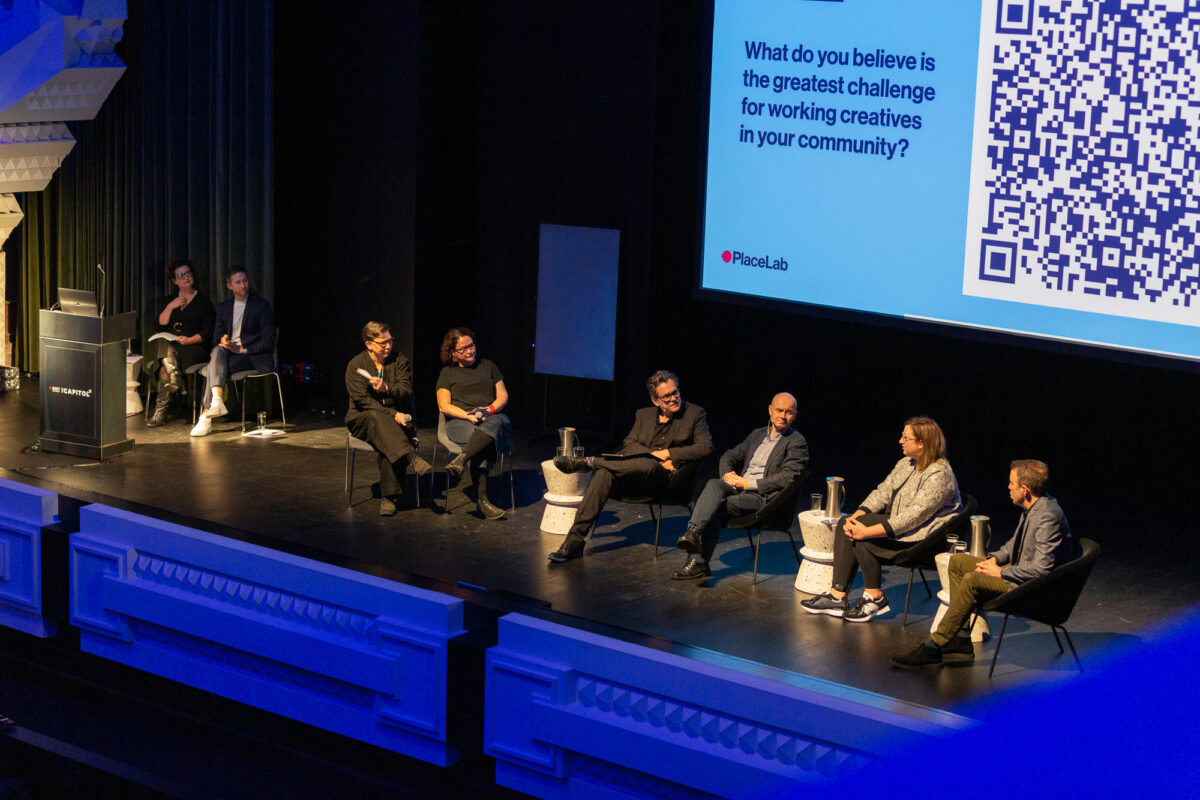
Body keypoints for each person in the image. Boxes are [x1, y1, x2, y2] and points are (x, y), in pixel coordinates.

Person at [890, 459, 1073, 668]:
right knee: (959, 562)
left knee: (972, 580)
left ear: (1025, 489)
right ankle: (961, 639)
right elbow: (1014, 544)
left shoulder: (1047, 516)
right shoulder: (1035, 507)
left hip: (1030, 587)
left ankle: (935, 646)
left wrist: (1002, 573)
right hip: (1020, 573)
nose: (1008, 487)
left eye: (1011, 483)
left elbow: (1042, 570)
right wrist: (994, 559)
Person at [801, 416, 961, 621]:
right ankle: (837, 597)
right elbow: (883, 492)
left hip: (924, 537)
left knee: (862, 536)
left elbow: (913, 518)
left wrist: (866, 531)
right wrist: (857, 515)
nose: (900, 441)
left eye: (906, 437)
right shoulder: (907, 463)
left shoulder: (940, 475)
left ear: (921, 443)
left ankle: (874, 598)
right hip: (900, 522)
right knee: (847, 523)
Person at [549, 370, 714, 563]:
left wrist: (668, 454)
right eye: (666, 396)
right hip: (634, 476)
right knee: (603, 476)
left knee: (650, 466)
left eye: (675, 392)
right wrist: (653, 455)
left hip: (667, 481)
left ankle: (590, 462)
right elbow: (629, 443)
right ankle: (574, 542)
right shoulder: (643, 415)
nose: (673, 398)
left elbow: (706, 447)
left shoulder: (694, 413)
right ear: (655, 400)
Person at [672, 392, 809, 580]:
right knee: (714, 484)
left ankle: (698, 563)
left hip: (762, 498)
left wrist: (748, 483)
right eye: (779, 410)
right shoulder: (757, 434)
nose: (783, 416)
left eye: (788, 412)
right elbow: (729, 455)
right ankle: (693, 532)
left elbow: (787, 478)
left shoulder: (796, 442)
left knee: (713, 507)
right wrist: (727, 474)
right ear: (770, 410)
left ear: (794, 415)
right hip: (737, 487)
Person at [345, 322, 433, 516]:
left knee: (387, 438)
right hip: (362, 419)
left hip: (396, 420)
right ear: (369, 344)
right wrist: (393, 414)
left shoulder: (399, 361)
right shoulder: (356, 365)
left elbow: (406, 390)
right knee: (378, 419)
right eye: (382, 342)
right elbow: (362, 401)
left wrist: (387, 388)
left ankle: (389, 498)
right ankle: (412, 457)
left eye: (390, 341)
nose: (388, 346)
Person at [435, 327, 511, 520]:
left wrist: (490, 410)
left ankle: (462, 459)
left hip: (491, 417)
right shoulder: (447, 373)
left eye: (472, 346)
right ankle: (483, 501)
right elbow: (444, 406)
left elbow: (502, 396)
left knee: (499, 421)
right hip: (461, 421)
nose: (470, 351)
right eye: (464, 349)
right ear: (453, 353)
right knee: (483, 442)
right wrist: (468, 416)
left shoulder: (488, 366)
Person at [191, 266, 276, 437]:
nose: (243, 285)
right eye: (238, 282)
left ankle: (206, 417)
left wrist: (244, 349)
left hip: (252, 356)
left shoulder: (260, 305)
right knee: (217, 351)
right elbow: (216, 336)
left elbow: (269, 340)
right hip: (229, 354)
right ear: (229, 286)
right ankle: (215, 403)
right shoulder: (225, 307)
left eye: (245, 281)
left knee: (212, 368)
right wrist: (223, 340)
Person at [147, 258, 215, 427]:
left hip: (194, 347)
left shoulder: (203, 301)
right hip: (173, 347)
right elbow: (160, 324)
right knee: (163, 341)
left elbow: (208, 332)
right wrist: (171, 307)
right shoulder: (170, 300)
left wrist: (190, 340)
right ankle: (174, 376)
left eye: (188, 273)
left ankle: (160, 411)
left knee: (164, 363)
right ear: (174, 280)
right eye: (181, 275)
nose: (186, 277)